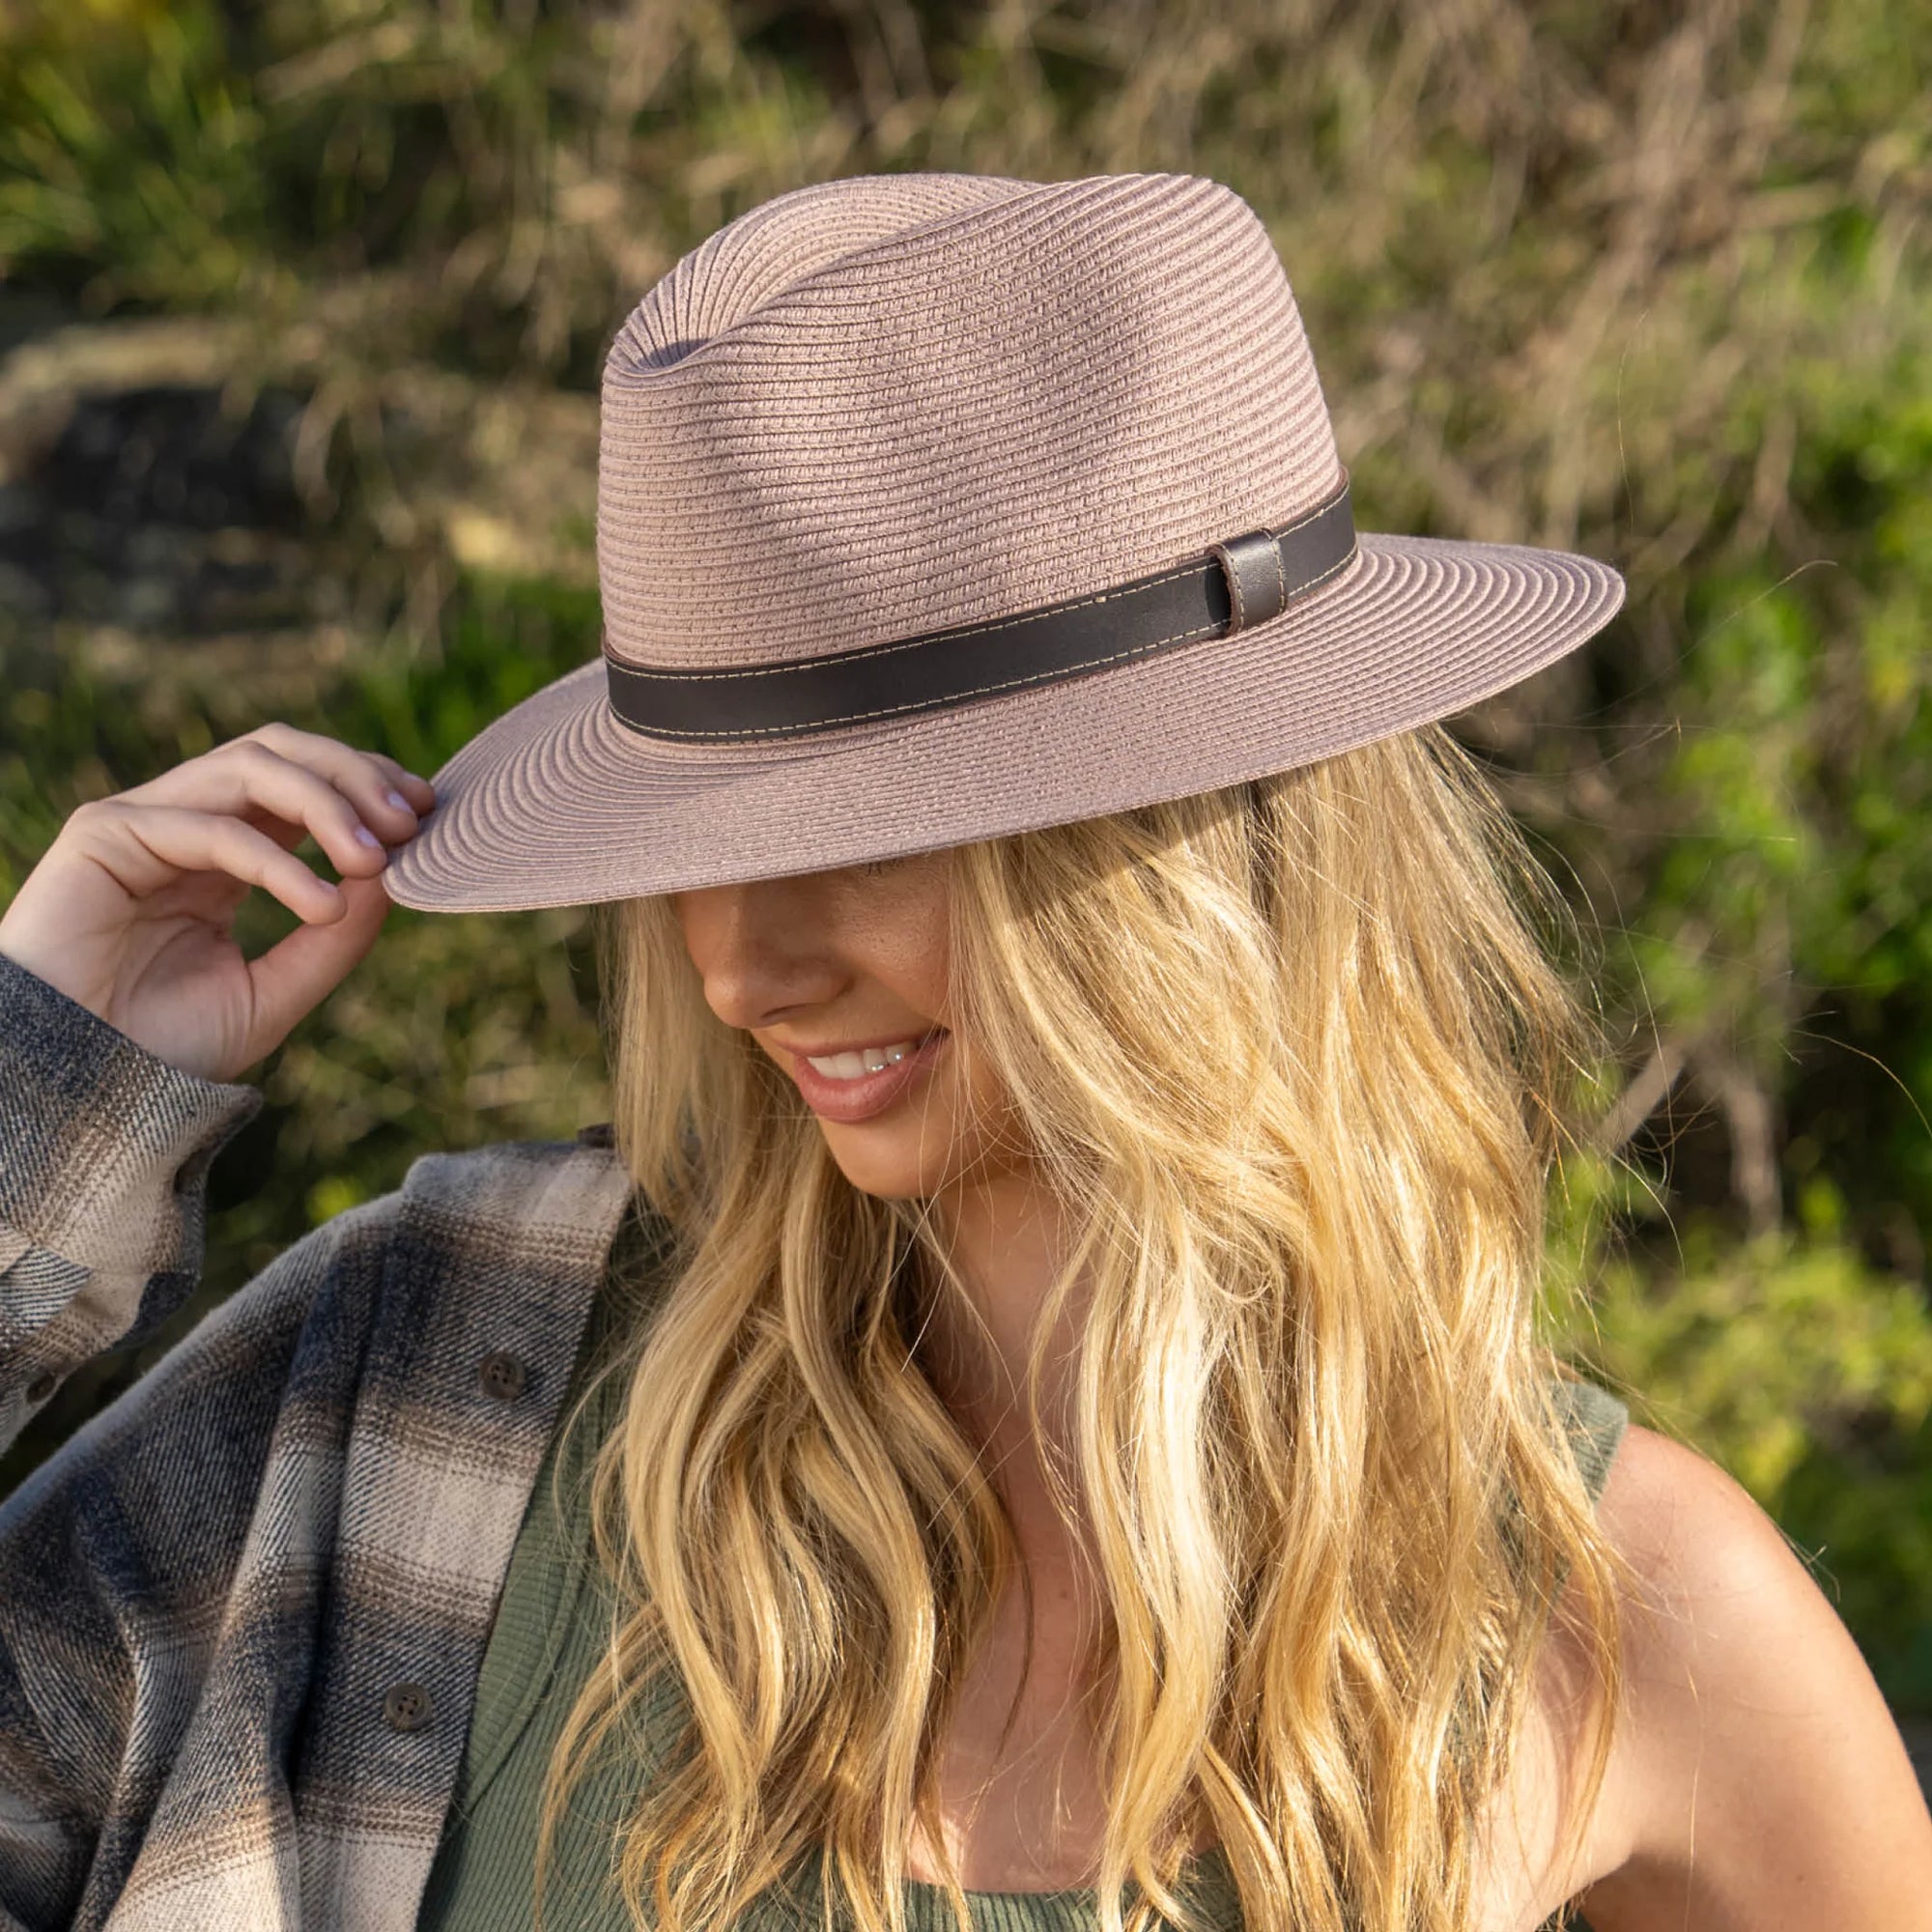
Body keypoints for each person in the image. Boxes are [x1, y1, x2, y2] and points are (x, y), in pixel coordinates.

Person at [0, 172, 1927, 1932]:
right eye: (708, 840)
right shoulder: (427, 1382)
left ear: (1202, 831)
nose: (745, 966)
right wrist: (39, 1114)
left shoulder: (1626, 1622)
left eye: (875, 835)